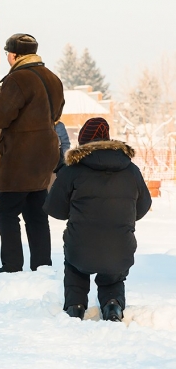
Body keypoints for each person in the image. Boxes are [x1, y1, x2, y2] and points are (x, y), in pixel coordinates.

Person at [43, 118, 152, 321]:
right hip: (120, 248)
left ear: (83, 141)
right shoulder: (131, 170)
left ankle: (75, 306)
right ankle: (113, 305)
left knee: (75, 265)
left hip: (81, 248)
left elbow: (55, 209)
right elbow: (143, 206)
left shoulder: (71, 170)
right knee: (113, 270)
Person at [0, 33, 65, 273]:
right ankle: (42, 265)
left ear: (14, 54)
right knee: (36, 211)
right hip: (47, 150)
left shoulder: (17, 79)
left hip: (22, 155)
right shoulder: (52, 77)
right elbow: (58, 112)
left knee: (6, 213)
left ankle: (11, 265)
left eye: (8, 54)